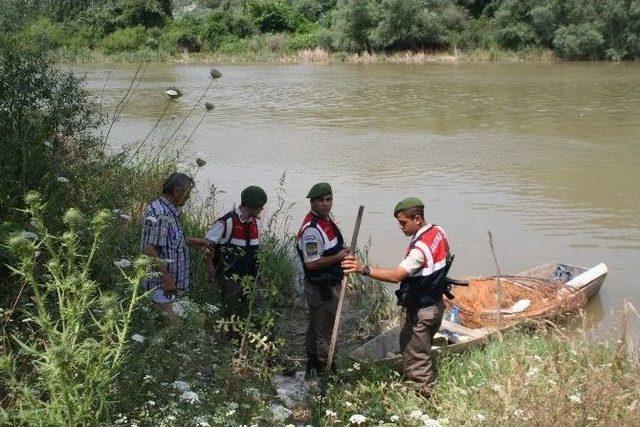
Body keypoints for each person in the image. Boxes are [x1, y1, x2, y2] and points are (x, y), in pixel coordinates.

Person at [342, 197, 451, 397]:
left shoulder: (419, 249)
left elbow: (396, 276)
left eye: (403, 222)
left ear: (417, 219)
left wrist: (362, 268)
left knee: (416, 358)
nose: (400, 228)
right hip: (436, 305)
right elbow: (444, 263)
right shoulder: (438, 232)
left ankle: (424, 400)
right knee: (419, 349)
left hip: (422, 311)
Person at [296, 182, 349, 379]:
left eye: (329, 199)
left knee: (316, 326)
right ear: (312, 202)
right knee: (325, 331)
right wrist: (340, 257)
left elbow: (332, 249)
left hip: (329, 283)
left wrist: (342, 252)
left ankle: (313, 366)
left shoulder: (327, 222)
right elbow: (312, 263)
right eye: (321, 200)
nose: (326, 204)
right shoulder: (312, 230)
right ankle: (328, 372)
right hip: (321, 287)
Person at [140, 172, 211, 317]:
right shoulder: (161, 214)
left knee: (174, 327)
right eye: (188, 193)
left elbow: (167, 240)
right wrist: (167, 277)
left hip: (169, 286)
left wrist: (193, 241)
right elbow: (149, 248)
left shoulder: (168, 211)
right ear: (177, 191)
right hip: (161, 286)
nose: (189, 197)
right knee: (173, 327)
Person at [204, 186, 267, 319]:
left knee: (254, 313)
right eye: (261, 206)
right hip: (230, 280)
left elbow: (255, 252)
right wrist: (210, 268)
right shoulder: (227, 222)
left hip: (251, 279)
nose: (262, 209)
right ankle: (233, 338)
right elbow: (206, 245)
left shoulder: (255, 222)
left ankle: (250, 337)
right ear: (252, 206)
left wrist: (259, 275)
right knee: (233, 315)